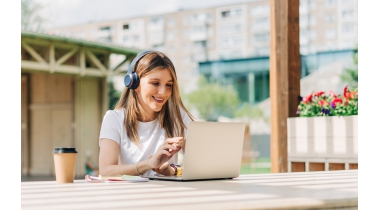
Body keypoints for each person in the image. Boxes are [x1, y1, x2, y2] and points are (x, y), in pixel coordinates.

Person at [98, 50, 195, 177]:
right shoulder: (114, 119)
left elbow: (202, 164)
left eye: (169, 85)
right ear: (134, 83)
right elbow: (106, 171)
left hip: (168, 194)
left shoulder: (177, 115)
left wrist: (173, 171)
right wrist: (148, 164)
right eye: (155, 83)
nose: (163, 92)